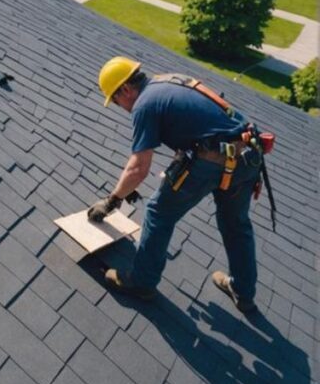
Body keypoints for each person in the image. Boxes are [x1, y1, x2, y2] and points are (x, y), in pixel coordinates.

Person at [88, 57, 263, 313]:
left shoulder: (144, 105)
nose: (119, 107)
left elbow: (138, 169)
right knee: (236, 225)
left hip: (212, 162)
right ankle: (244, 292)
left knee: (158, 212)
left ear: (125, 89)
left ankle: (141, 282)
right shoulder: (166, 82)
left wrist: (112, 200)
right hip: (248, 155)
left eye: (115, 100)